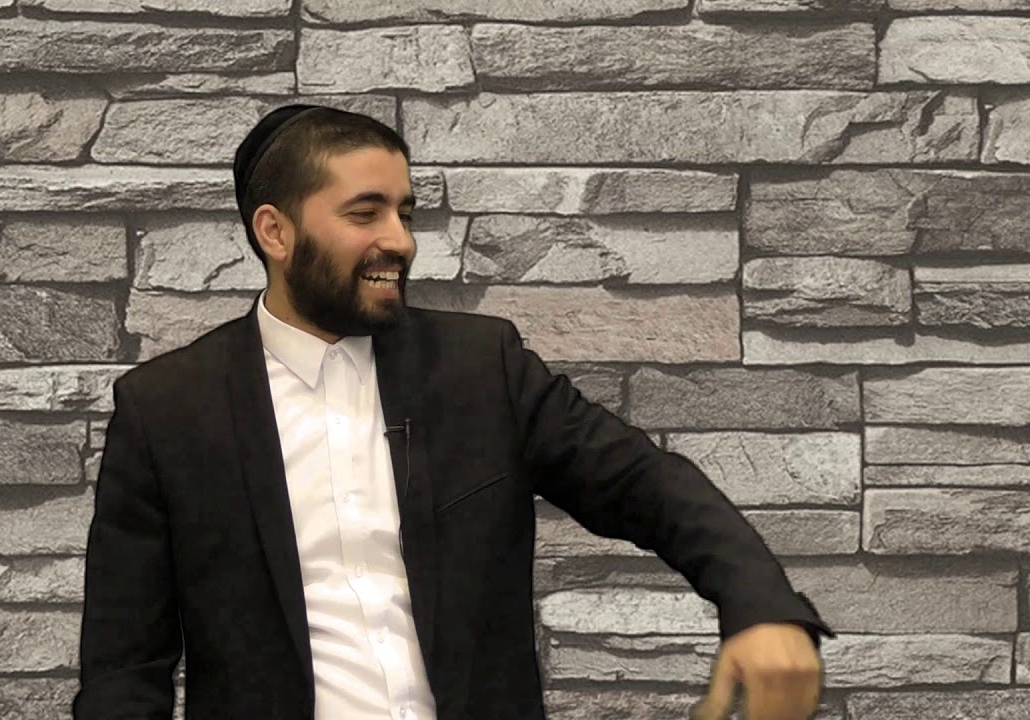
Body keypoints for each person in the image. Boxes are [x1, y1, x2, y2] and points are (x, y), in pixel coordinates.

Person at [72, 104, 835, 720]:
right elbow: (123, 671)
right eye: (365, 213)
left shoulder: (481, 367)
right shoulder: (167, 409)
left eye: (404, 212)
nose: (399, 241)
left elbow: (643, 482)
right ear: (276, 231)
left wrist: (760, 605)